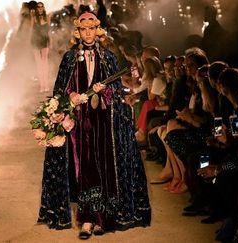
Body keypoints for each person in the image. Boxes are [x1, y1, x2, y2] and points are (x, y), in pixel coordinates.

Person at [37, 12, 151, 239]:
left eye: (91, 29)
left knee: (104, 168)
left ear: (97, 31)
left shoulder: (109, 57)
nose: (87, 33)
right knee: (85, 169)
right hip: (80, 124)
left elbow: (117, 93)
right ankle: (87, 219)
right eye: (83, 29)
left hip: (104, 125)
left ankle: (103, 219)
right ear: (77, 32)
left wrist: (105, 90)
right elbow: (60, 90)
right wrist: (72, 97)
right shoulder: (69, 58)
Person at [30, 2, 50, 92]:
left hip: (45, 41)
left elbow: (49, 31)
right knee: (39, 65)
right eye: (38, 7)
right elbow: (31, 31)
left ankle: (46, 84)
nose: (40, 8)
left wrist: (51, 42)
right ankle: (42, 86)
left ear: (43, 8)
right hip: (35, 42)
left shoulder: (47, 17)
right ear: (37, 8)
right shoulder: (34, 18)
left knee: (45, 64)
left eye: (42, 7)